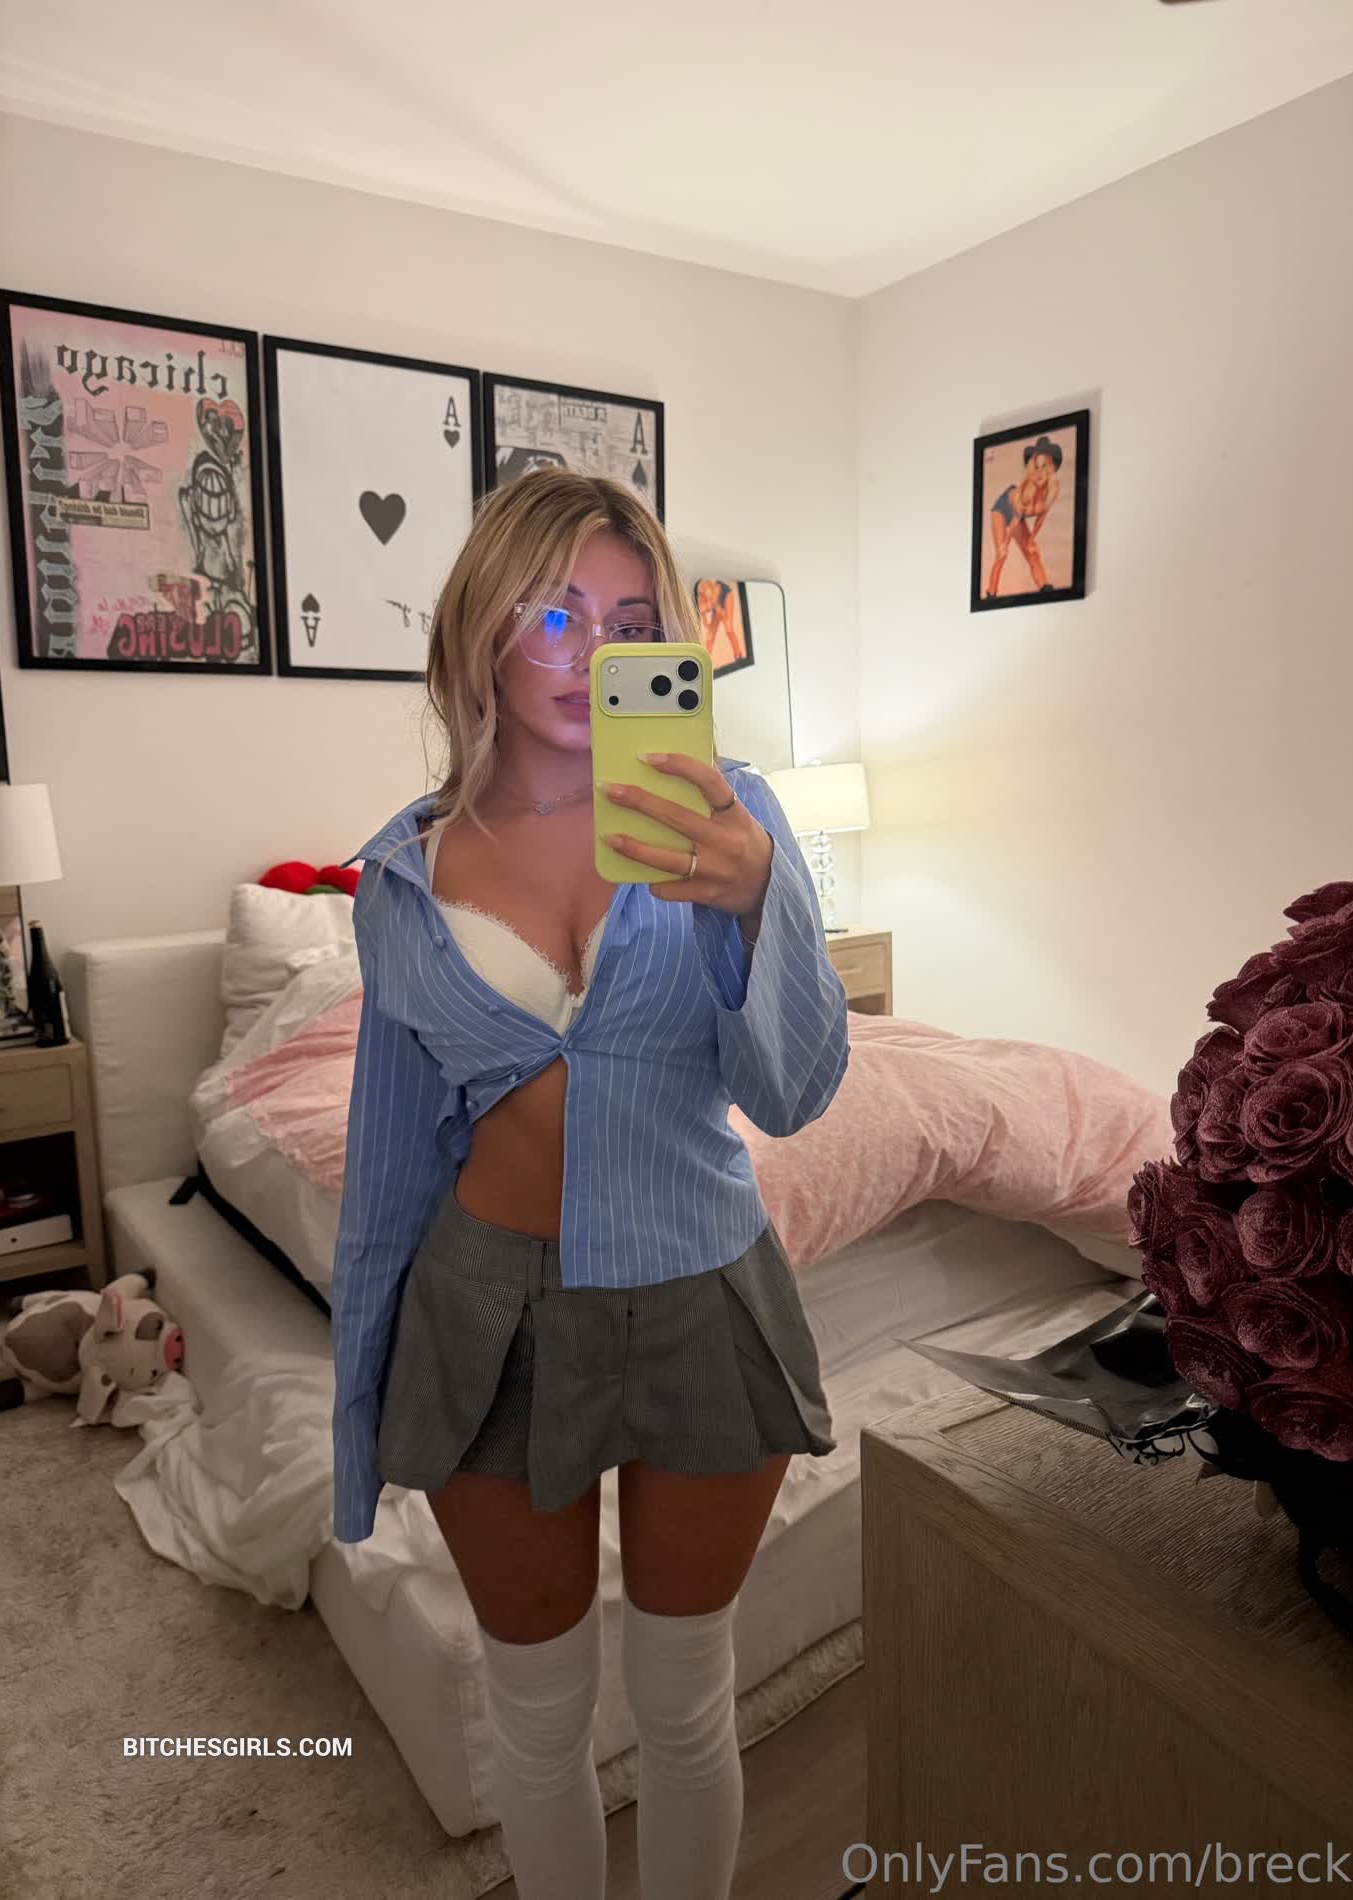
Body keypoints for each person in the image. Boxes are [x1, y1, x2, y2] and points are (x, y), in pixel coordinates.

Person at [330, 469, 849, 1900]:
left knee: (685, 1701)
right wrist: (357, 1417)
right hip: (484, 1310)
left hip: (700, 1287)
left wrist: (754, 900)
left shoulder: (731, 819)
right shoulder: (405, 874)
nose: (588, 651)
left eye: (628, 622)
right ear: (482, 629)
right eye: (552, 612)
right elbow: (388, 1167)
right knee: (537, 1714)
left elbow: (795, 1092)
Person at [986, 433, 1063, 598]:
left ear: (1050, 468)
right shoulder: (1028, 491)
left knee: (1033, 553)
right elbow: (1015, 519)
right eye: (1036, 467)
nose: (1040, 472)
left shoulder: (1053, 490)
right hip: (1003, 509)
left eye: (1044, 466)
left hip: (1017, 516)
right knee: (1001, 554)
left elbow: (1041, 517)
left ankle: (1045, 589)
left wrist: (1031, 540)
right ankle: (991, 594)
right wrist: (1005, 543)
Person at [694, 576, 747, 667]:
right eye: (707, 606)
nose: (708, 606)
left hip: (725, 596)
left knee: (729, 629)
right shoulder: (701, 604)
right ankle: (704, 662)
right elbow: (705, 620)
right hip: (716, 605)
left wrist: (719, 610)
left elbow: (723, 614)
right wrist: (709, 627)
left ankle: (738, 655)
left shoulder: (714, 592)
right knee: (710, 637)